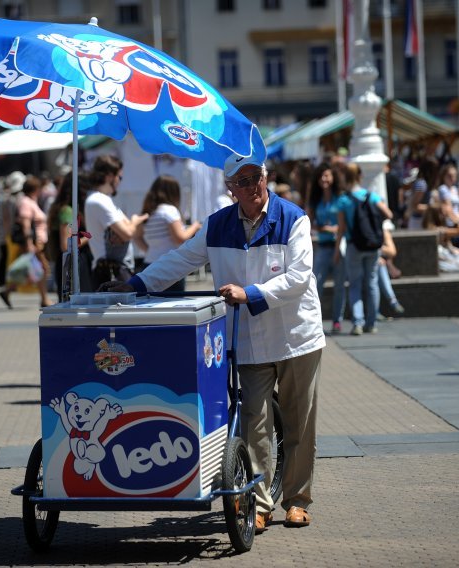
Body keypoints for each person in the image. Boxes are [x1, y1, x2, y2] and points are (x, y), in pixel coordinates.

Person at [103, 153, 325, 533]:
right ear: (230, 190)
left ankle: (298, 500)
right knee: (253, 421)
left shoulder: (293, 218)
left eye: (255, 177)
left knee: (298, 422)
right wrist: (136, 284)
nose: (251, 186)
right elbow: (180, 259)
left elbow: (300, 277)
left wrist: (250, 292)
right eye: (241, 181)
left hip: (296, 336)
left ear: (265, 177)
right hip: (248, 339)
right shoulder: (218, 225)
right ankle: (258, 502)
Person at [335, 162, 394, 335]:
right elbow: (389, 214)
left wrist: (337, 250)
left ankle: (358, 323)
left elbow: (341, 229)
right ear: (360, 177)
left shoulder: (343, 200)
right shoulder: (372, 196)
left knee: (354, 285)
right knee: (372, 283)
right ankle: (372, 323)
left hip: (354, 246)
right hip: (373, 245)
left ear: (345, 178)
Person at [84, 155, 148, 288]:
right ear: (109, 176)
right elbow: (128, 233)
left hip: (116, 270)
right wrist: (136, 220)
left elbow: (130, 231)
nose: (120, 181)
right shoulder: (99, 200)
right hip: (111, 272)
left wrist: (132, 225)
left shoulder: (103, 200)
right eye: (119, 177)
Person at [134, 175, 201, 292]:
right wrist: (195, 226)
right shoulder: (169, 210)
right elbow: (180, 238)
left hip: (149, 264)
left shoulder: (149, 211)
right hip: (170, 266)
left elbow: (137, 237)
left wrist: (150, 250)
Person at [0, 176, 53, 308]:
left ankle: (8, 291)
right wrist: (29, 243)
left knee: (33, 270)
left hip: (38, 242)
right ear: (36, 190)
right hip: (35, 243)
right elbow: (26, 224)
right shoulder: (26, 203)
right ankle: (44, 299)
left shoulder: (30, 201)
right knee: (42, 269)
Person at [308, 162, 346, 334]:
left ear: (333, 178)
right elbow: (309, 223)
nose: (324, 179)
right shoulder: (315, 200)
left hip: (339, 246)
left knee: (339, 286)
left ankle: (337, 321)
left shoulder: (340, 198)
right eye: (321, 176)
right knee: (316, 284)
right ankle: (315, 320)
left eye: (327, 175)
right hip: (323, 246)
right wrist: (326, 228)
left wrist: (332, 229)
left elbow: (345, 225)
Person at [48, 172, 94, 301]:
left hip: (72, 265)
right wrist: (91, 236)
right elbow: (66, 244)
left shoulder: (66, 209)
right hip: (72, 267)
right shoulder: (67, 211)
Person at [406, 157, 439, 230]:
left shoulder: (424, 183)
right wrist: (432, 208)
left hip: (423, 221)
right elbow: (414, 206)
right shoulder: (422, 184)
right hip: (418, 222)